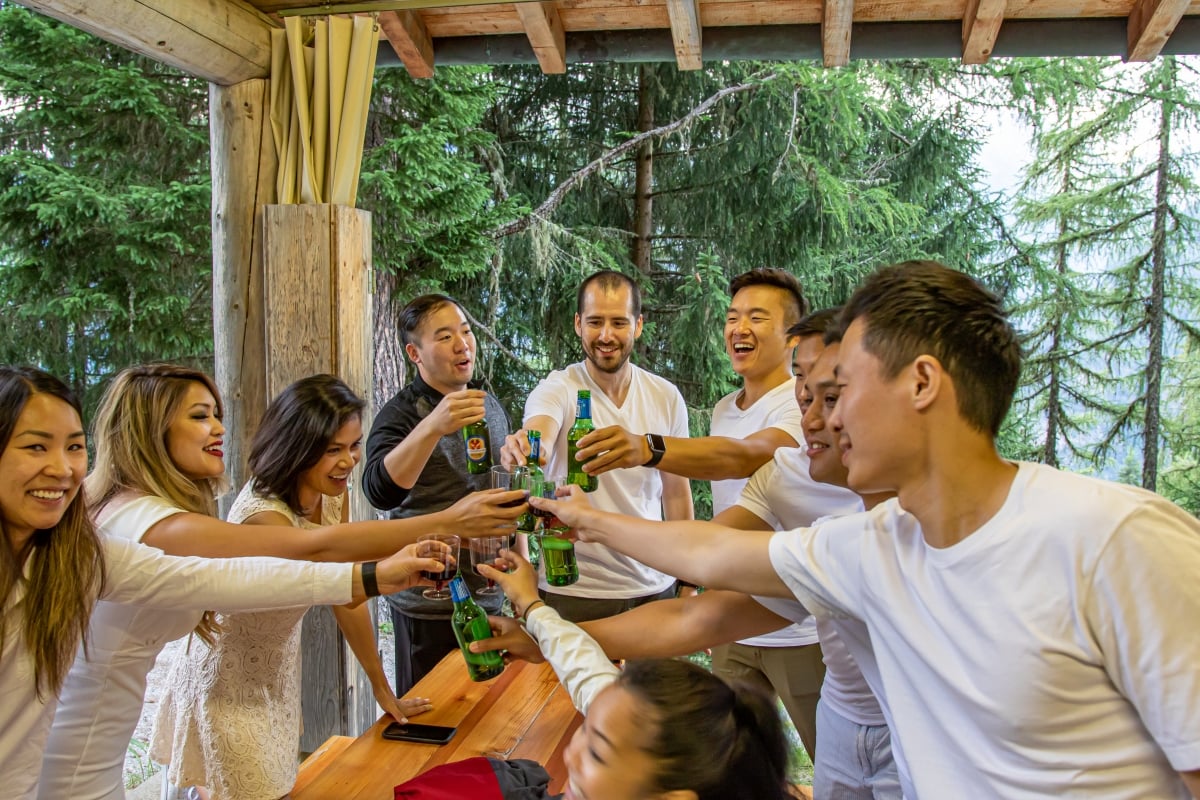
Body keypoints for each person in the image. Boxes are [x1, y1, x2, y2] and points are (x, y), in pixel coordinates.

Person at [529, 261, 1200, 798]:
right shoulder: (873, 548)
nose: (819, 416)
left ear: (921, 384)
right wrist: (557, 574)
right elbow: (709, 562)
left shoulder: (1117, 540)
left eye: (840, 388)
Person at [39, 363, 518, 800]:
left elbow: (332, 576)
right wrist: (443, 523)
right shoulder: (189, 523)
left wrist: (379, 682)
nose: (219, 429)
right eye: (200, 416)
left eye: (353, 447)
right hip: (206, 699)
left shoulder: (147, 512)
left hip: (262, 683)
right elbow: (314, 556)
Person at [477, 320, 902, 799]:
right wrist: (542, 628)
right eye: (804, 393)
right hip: (846, 723)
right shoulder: (804, 501)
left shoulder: (874, 542)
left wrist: (618, 489)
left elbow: (717, 527)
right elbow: (697, 608)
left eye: (832, 396)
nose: (811, 419)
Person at [149, 375, 433, 799]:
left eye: (354, 445)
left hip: (275, 674)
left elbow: (345, 594)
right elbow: (336, 578)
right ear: (296, 448)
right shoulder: (264, 516)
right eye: (332, 450)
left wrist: (379, 684)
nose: (349, 461)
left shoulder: (331, 494)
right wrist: (414, 550)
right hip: (226, 685)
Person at [476, 550, 794, 800]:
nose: (571, 754)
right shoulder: (629, 730)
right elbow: (586, 670)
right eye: (586, 731)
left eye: (597, 754)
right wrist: (533, 609)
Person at [501, 270, 693, 622]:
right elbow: (539, 429)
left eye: (619, 322)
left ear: (638, 325)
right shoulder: (558, 388)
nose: (606, 336)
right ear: (578, 324)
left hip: (655, 586)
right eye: (595, 322)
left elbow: (677, 492)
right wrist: (528, 447)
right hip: (574, 591)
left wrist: (688, 578)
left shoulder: (666, 396)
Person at [363, 293, 521, 693]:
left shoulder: (491, 406)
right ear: (414, 353)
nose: (462, 344)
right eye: (445, 336)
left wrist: (519, 575)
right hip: (427, 606)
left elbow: (500, 493)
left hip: (489, 594)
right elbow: (378, 492)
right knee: (432, 721)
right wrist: (433, 425)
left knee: (488, 716)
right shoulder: (399, 415)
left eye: (466, 332)